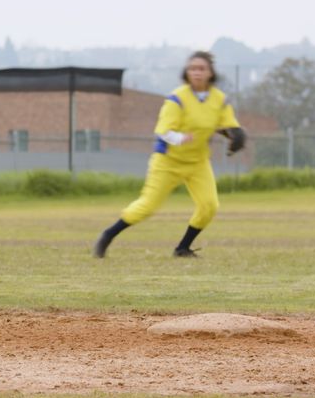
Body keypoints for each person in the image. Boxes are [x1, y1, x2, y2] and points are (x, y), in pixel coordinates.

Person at [93, 51, 246, 259]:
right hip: (168, 161)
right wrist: (181, 138)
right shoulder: (177, 98)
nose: (197, 73)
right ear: (186, 72)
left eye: (202, 68)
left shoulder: (219, 100)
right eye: (193, 68)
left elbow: (228, 125)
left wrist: (237, 135)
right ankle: (107, 235)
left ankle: (182, 248)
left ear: (210, 73)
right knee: (146, 207)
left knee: (209, 206)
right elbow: (163, 131)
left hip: (197, 163)